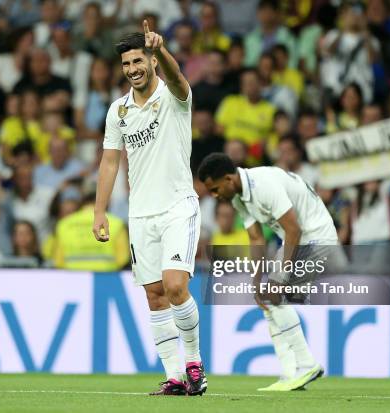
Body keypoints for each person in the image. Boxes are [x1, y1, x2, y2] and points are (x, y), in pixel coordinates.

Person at [92, 23, 206, 396]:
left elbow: (176, 77)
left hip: (178, 208)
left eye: (138, 60)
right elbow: (110, 163)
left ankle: (193, 363)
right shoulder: (118, 111)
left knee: (175, 286)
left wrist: (166, 51)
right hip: (141, 215)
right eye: (126, 63)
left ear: (152, 60)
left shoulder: (174, 96)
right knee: (155, 295)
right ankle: (174, 376)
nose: (132, 69)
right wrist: (99, 212)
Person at [198, 153, 331, 391]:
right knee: (266, 299)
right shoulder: (239, 197)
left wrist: (279, 278)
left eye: (216, 189)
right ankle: (290, 374)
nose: (215, 196)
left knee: (274, 295)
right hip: (296, 240)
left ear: (229, 179)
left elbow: (294, 230)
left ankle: (307, 364)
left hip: (316, 238)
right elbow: (256, 238)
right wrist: (256, 281)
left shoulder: (264, 185)